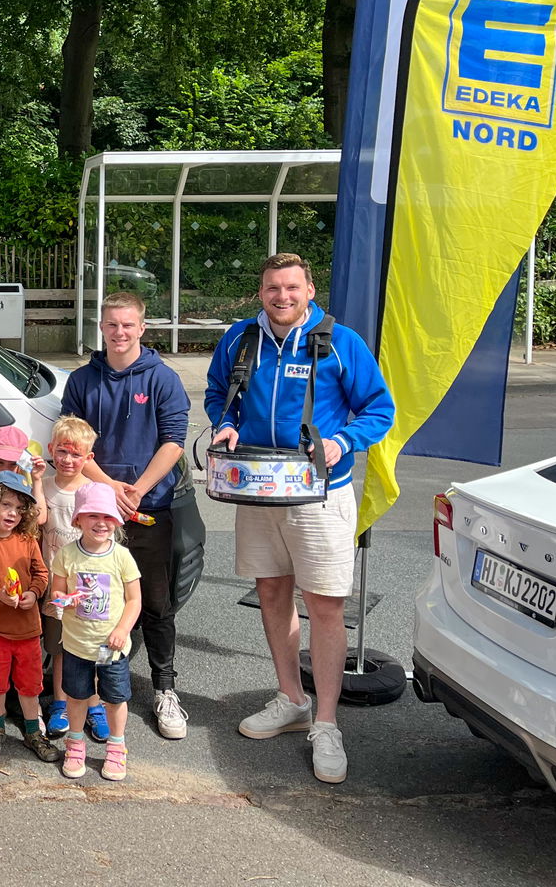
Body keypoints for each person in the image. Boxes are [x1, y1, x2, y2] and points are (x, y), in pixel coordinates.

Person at [206, 252, 395, 785]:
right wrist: (225, 424)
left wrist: (342, 441)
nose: (282, 297)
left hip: (320, 496)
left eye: (292, 287)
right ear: (260, 292)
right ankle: (292, 700)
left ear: (310, 290)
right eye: (272, 288)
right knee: (271, 593)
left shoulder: (341, 342)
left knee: (325, 607)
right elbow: (220, 394)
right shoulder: (241, 337)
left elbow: (379, 409)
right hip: (258, 490)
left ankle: (328, 723)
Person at [61, 291, 192, 740]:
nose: (119, 332)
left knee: (155, 603)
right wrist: (109, 487)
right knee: (85, 599)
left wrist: (139, 489)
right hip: (97, 509)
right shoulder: (82, 380)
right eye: (112, 324)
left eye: (128, 325)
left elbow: (174, 440)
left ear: (143, 327)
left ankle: (165, 689)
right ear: (101, 327)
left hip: (149, 508)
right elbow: (74, 443)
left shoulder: (163, 379)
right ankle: (84, 697)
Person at [52, 483, 142, 782]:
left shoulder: (122, 557)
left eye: (108, 516)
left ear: (116, 521)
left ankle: (117, 746)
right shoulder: (67, 555)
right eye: (92, 515)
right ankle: (75, 743)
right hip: (77, 644)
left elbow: (134, 600)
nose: (101, 522)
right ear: (78, 519)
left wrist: (122, 629)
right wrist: (64, 600)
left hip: (110, 646)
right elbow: (57, 591)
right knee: (77, 696)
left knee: (115, 698)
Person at [0, 471, 57, 762]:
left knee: (29, 685)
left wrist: (34, 594)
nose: (13, 513)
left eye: (19, 508)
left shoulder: (26, 539)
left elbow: (41, 573)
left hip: (27, 630)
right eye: (6, 505)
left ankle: (33, 732)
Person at [40, 417, 97, 740]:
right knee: (61, 647)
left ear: (88, 459)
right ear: (52, 450)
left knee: (90, 646)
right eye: (62, 452)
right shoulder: (46, 486)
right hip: (54, 585)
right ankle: (60, 704)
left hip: (87, 587)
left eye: (76, 455)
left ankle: (94, 704)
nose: (67, 460)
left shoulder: (93, 491)